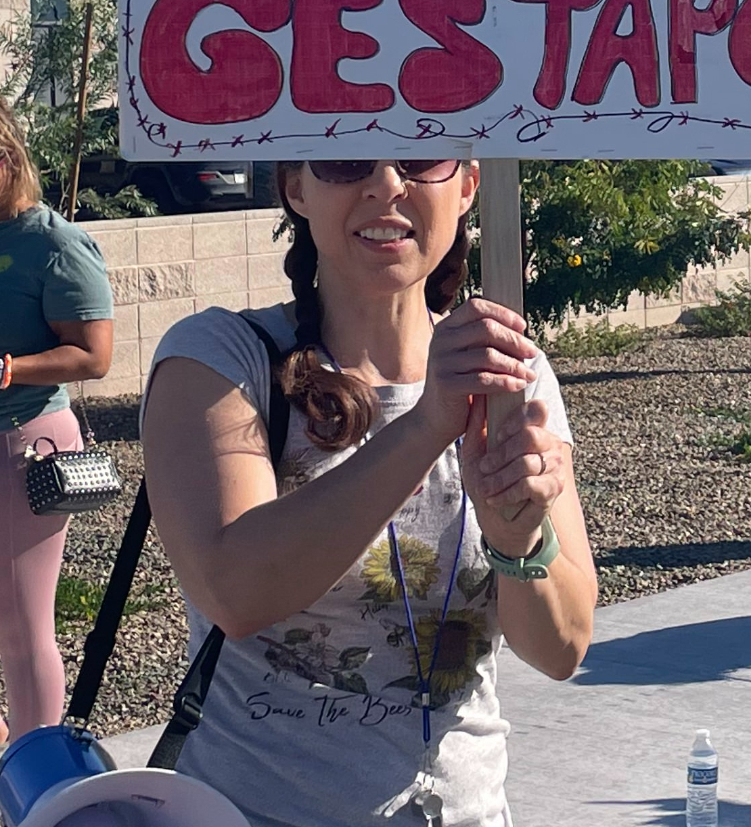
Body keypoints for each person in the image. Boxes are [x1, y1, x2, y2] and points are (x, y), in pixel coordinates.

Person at [141, 158, 596, 826]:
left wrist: (518, 540)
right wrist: (424, 426)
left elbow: (562, 647)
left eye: (420, 159)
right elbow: (236, 592)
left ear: (468, 185)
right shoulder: (216, 358)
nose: (386, 185)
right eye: (345, 159)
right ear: (297, 187)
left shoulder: (511, 374)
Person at [0, 98, 114, 743]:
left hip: (23, 443)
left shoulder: (55, 243)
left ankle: (35, 781)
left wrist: (8, 367)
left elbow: (93, 357)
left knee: (21, 626)